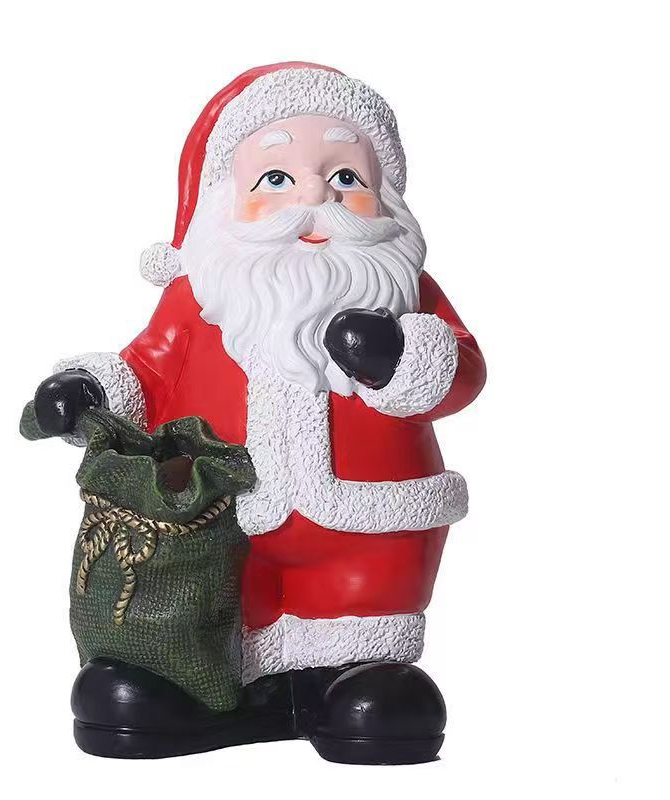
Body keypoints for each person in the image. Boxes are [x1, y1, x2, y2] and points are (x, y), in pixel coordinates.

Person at [33, 62, 486, 763]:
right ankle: (196, 687)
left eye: (346, 176)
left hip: (371, 533)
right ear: (223, 198)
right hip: (219, 527)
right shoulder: (200, 296)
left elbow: (461, 370)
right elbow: (147, 368)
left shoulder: (405, 293)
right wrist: (93, 391)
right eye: (276, 177)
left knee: (366, 639)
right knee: (212, 604)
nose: (315, 195)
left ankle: (353, 675)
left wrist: (403, 358)